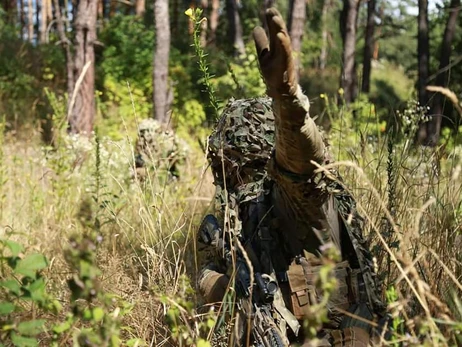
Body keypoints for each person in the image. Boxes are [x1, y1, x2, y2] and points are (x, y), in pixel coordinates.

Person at [198, 8, 387, 346]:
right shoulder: (241, 214)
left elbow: (301, 163)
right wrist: (227, 284)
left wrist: (286, 99)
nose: (225, 177)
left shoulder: (293, 198)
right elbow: (214, 280)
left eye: (230, 167)